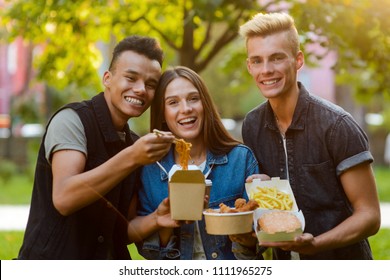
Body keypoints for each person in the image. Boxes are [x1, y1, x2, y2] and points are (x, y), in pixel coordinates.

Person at [18, 35, 177, 259]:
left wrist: (157, 219)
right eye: (131, 78)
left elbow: (122, 232)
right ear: (107, 78)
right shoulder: (71, 120)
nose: (141, 89)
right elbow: (64, 198)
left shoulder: (134, 143)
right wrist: (132, 157)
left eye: (151, 84)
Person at [237, 12, 381, 259]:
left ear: (298, 60)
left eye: (277, 58)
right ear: (250, 66)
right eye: (257, 61)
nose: (267, 70)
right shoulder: (252, 125)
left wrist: (316, 244)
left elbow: (369, 216)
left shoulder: (337, 125)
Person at [132, 66, 262, 260]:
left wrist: (243, 233)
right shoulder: (150, 169)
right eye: (173, 102)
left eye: (193, 98)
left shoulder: (241, 160)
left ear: (205, 105)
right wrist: (165, 223)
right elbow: (150, 254)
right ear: (163, 114)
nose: (186, 109)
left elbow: (259, 244)